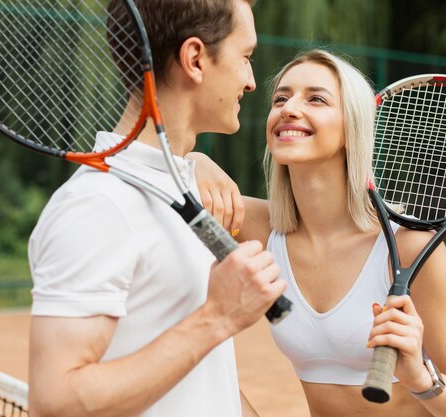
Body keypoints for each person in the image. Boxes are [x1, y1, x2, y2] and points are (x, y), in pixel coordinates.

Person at [191, 49, 446, 417]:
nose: (289, 108)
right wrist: (192, 161)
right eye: (280, 98)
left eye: (316, 98)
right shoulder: (257, 228)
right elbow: (160, 184)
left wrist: (422, 378)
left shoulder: (408, 247)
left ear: (353, 129)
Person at [26, 1, 286, 417]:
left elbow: (192, 376)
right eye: (246, 57)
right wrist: (217, 317)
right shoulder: (97, 206)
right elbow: (55, 400)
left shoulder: (185, 183)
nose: (252, 81)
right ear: (195, 59)